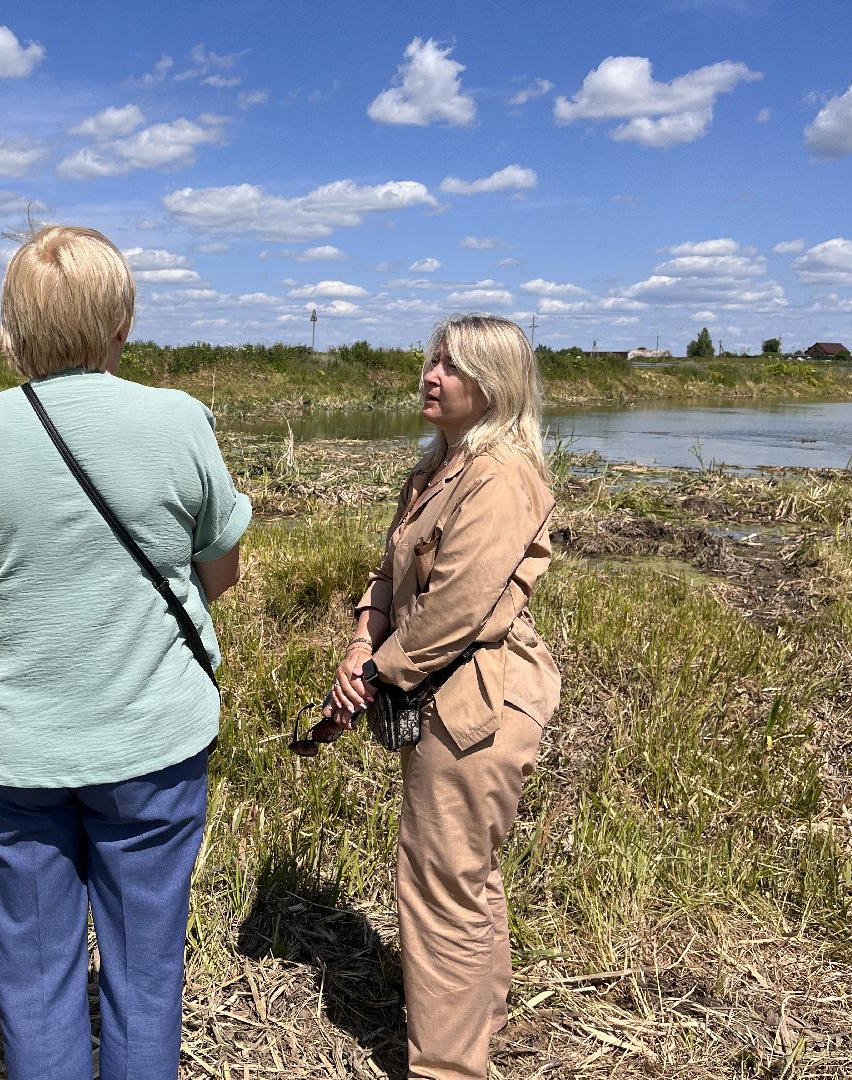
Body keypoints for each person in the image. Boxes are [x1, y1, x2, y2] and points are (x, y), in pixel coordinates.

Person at [0, 224, 250, 1080]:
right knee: (145, 973)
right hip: (151, 745)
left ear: (10, 329)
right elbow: (222, 569)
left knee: (31, 976)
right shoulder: (177, 419)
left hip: (15, 747)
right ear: (121, 323)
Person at [322, 313, 560, 1080]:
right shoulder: (435, 468)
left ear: (493, 386)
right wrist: (364, 638)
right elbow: (389, 574)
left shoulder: (500, 476)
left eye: (451, 366)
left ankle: (449, 1068)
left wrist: (373, 674)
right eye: (432, 359)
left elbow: (458, 607)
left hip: (476, 702)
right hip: (439, 693)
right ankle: (477, 1027)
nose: (430, 375)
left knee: (438, 888)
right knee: (464, 875)